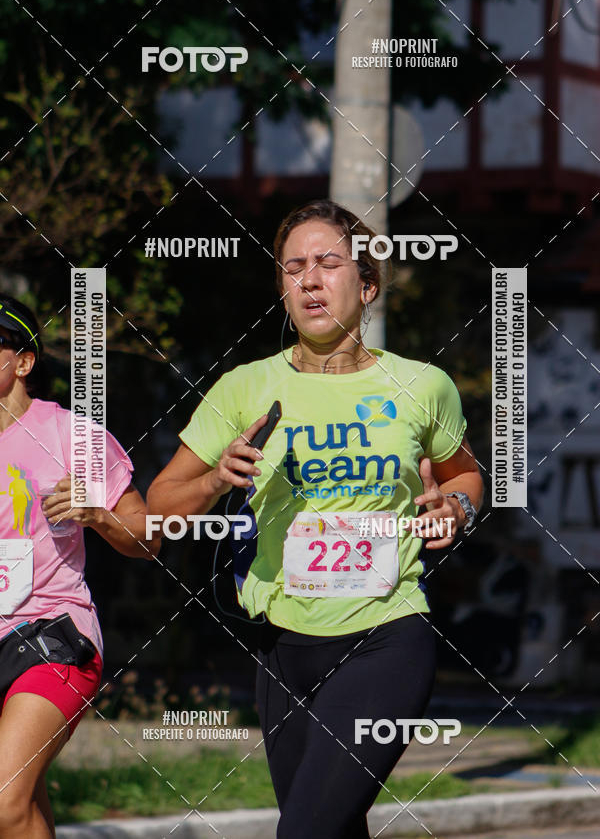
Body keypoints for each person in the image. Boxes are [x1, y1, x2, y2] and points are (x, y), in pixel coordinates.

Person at [148, 200, 484, 839]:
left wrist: (458, 506)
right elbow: (160, 505)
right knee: (333, 829)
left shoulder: (422, 385)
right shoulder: (244, 386)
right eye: (293, 267)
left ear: (366, 285)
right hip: (282, 645)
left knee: (304, 831)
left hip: (386, 635)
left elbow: (467, 474)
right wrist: (220, 478)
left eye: (328, 263)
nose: (309, 279)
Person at [0, 295, 159, 839]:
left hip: (52, 634)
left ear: (23, 362)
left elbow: (148, 539)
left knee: (3, 800)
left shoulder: (73, 436)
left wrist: (98, 515)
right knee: (23, 807)